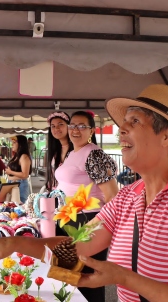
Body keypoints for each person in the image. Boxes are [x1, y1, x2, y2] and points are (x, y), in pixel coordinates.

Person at [0, 85, 168, 302]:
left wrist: (123, 278)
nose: (121, 129)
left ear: (167, 135)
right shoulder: (128, 197)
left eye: (134, 121)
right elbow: (73, 248)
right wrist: (13, 245)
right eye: (123, 121)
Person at [50, 110, 119, 301]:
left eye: (82, 126)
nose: (76, 130)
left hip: (88, 220)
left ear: (92, 130)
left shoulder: (94, 154)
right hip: (69, 218)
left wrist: (98, 227)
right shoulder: (73, 153)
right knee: (69, 277)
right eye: (72, 126)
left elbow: (112, 196)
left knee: (87, 278)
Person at [45, 111, 74, 191]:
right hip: (56, 195)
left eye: (60, 124)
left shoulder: (77, 149)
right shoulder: (55, 151)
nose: (56, 128)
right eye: (53, 126)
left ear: (69, 126)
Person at [5, 135, 32, 203]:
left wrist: (11, 172)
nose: (12, 144)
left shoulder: (24, 156)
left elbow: (25, 175)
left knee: (20, 207)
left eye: (14, 143)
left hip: (20, 185)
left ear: (20, 144)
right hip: (12, 184)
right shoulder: (17, 156)